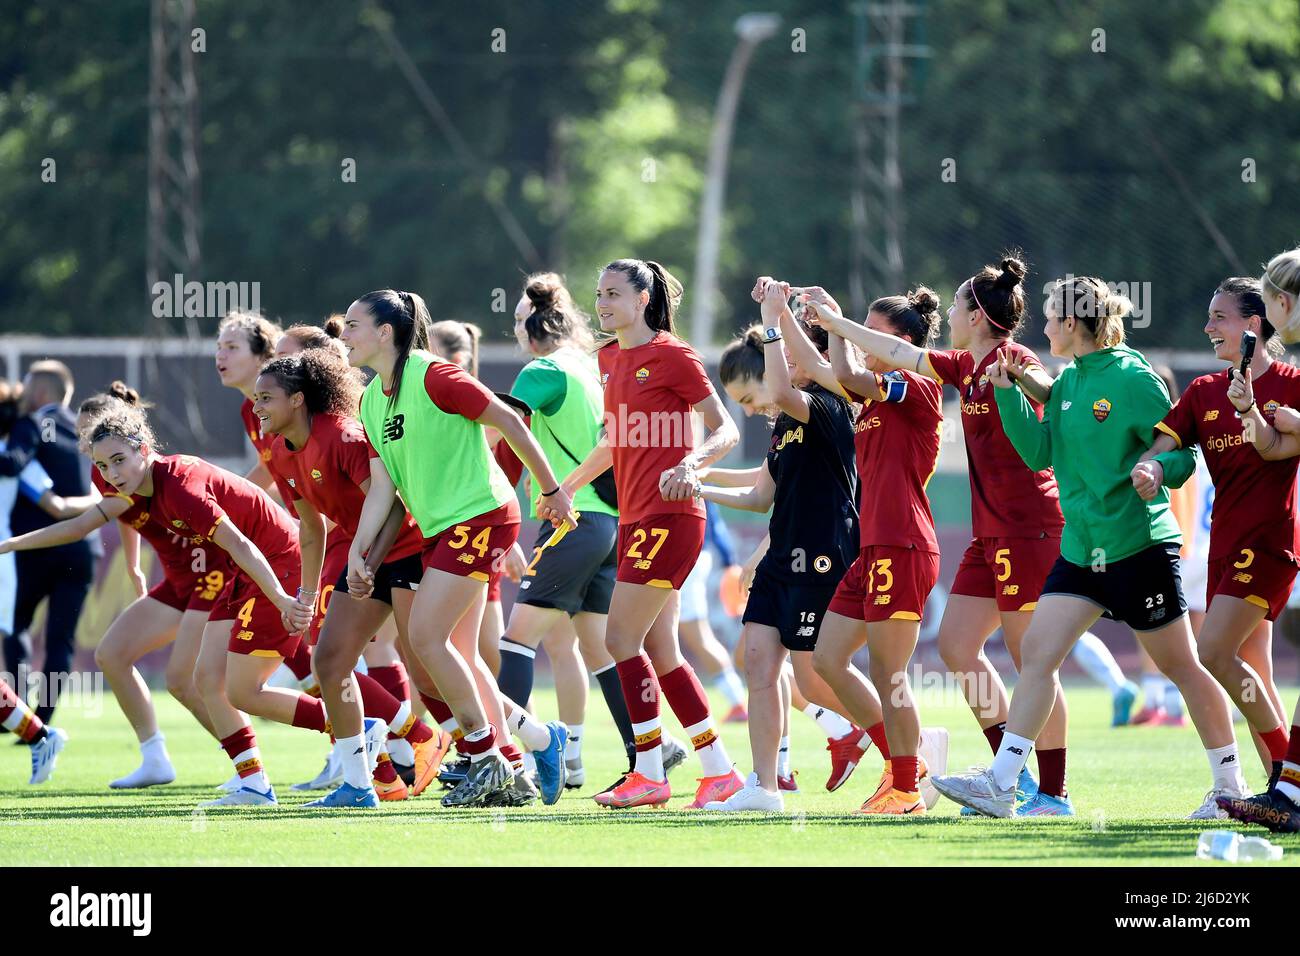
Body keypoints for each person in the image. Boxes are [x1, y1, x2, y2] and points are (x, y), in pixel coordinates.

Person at [932, 276, 1249, 819]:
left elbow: (1183, 457)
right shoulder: (1068, 381)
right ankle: (1007, 784)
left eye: (1053, 318)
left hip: (1138, 548)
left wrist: (1155, 467)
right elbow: (1037, 454)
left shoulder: (1133, 378)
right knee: (1038, 655)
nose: (1046, 327)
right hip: (1080, 552)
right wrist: (1008, 394)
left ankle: (1230, 788)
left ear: (1073, 325)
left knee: (1183, 667)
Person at [342, 288, 574, 807]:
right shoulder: (371, 398)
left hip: (482, 515)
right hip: (442, 528)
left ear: (386, 332)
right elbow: (385, 490)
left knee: (423, 637)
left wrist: (553, 491)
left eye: (354, 325)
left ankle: (483, 754)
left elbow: (510, 420)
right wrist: (363, 553)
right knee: (455, 654)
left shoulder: (435, 374)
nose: (345, 335)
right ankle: (527, 751)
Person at [542, 258, 743, 809]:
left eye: (613, 293)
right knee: (662, 650)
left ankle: (650, 772)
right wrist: (564, 488)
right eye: (598, 293)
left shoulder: (674, 355)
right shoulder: (607, 358)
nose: (602, 303)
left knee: (619, 641)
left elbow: (724, 428)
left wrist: (692, 464)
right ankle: (719, 771)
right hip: (633, 517)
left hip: (671, 515)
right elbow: (612, 443)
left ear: (642, 298)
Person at [494, 272, 685, 794]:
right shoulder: (588, 365)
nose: (514, 330)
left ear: (535, 323)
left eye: (516, 321)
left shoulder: (541, 370)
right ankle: (648, 751)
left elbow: (502, 433)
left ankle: (509, 762)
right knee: (601, 649)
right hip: (614, 522)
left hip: (572, 521)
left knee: (515, 641)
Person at [253, 349, 451, 807]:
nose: (257, 407)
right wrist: (303, 596)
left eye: (267, 398)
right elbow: (310, 528)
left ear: (299, 399)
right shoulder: (282, 455)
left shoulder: (342, 436)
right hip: (365, 559)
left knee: (427, 669)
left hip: (407, 552)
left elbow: (396, 504)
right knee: (329, 661)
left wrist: (367, 559)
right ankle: (359, 785)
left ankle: (526, 741)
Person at [697, 296, 861, 811]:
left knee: (814, 677)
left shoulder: (827, 406)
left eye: (749, 398)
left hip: (820, 558)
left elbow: (786, 390)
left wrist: (772, 322)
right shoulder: (782, 424)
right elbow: (759, 495)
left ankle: (905, 743)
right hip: (780, 559)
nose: (748, 410)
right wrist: (696, 482)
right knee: (759, 663)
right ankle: (764, 788)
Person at [799, 284, 949, 815]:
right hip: (875, 546)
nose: (862, 336)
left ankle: (907, 787)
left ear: (903, 342)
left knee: (890, 675)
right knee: (826, 658)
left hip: (905, 543)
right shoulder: (870, 393)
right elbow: (841, 375)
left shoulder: (918, 383)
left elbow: (851, 375)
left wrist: (837, 323)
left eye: (873, 329)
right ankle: (906, 763)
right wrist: (806, 320)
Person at [1141, 310, 1295, 784]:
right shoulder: (1204, 391)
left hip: (1268, 543)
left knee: (1211, 650)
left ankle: (1288, 774)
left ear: (1253, 324)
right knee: (1255, 675)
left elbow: (1271, 447)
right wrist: (1150, 468)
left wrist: (1278, 417)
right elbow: (1162, 449)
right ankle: (1282, 790)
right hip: (1223, 547)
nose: (1207, 328)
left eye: (1218, 318)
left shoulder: (1292, 383)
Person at [0, 360, 101, 726]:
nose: (21, 394)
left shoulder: (30, 425)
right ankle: (43, 719)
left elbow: (14, 463)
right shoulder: (88, 430)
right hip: (83, 547)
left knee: (16, 625)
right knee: (61, 639)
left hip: (39, 545)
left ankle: (16, 713)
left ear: (40, 392)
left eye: (26, 387)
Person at [677, 499, 748, 722]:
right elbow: (716, 523)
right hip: (690, 554)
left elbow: (714, 521)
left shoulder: (685, 468)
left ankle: (737, 702)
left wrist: (730, 562)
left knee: (698, 635)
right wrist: (729, 560)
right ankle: (636, 705)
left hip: (686, 555)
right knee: (648, 632)